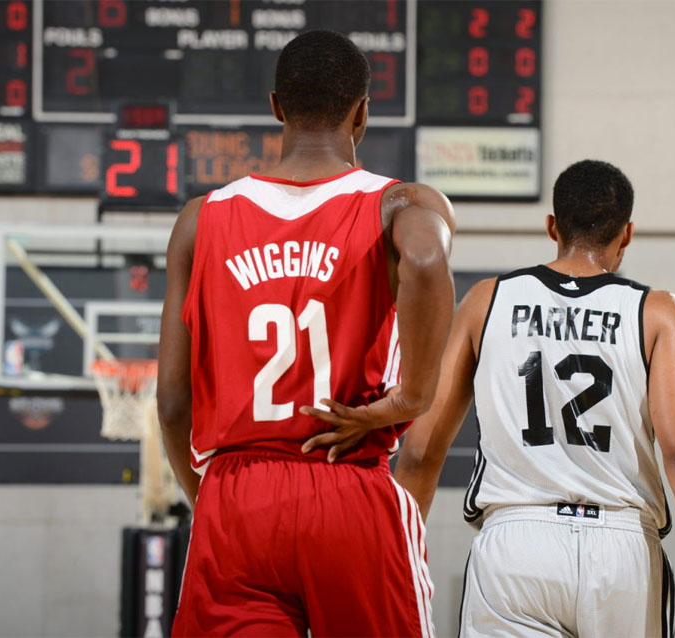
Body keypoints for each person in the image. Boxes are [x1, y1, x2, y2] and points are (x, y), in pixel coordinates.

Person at [157, 30, 455, 637]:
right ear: (362, 112)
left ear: (276, 108)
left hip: (236, 494)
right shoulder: (396, 202)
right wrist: (410, 400)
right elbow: (426, 262)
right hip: (348, 483)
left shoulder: (201, 219)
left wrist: (209, 498)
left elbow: (170, 404)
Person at [391, 160, 675, 637]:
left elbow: (418, 453)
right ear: (626, 235)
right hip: (621, 549)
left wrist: (394, 563)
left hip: (515, 544)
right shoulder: (657, 314)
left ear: (551, 226)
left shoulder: (485, 301)